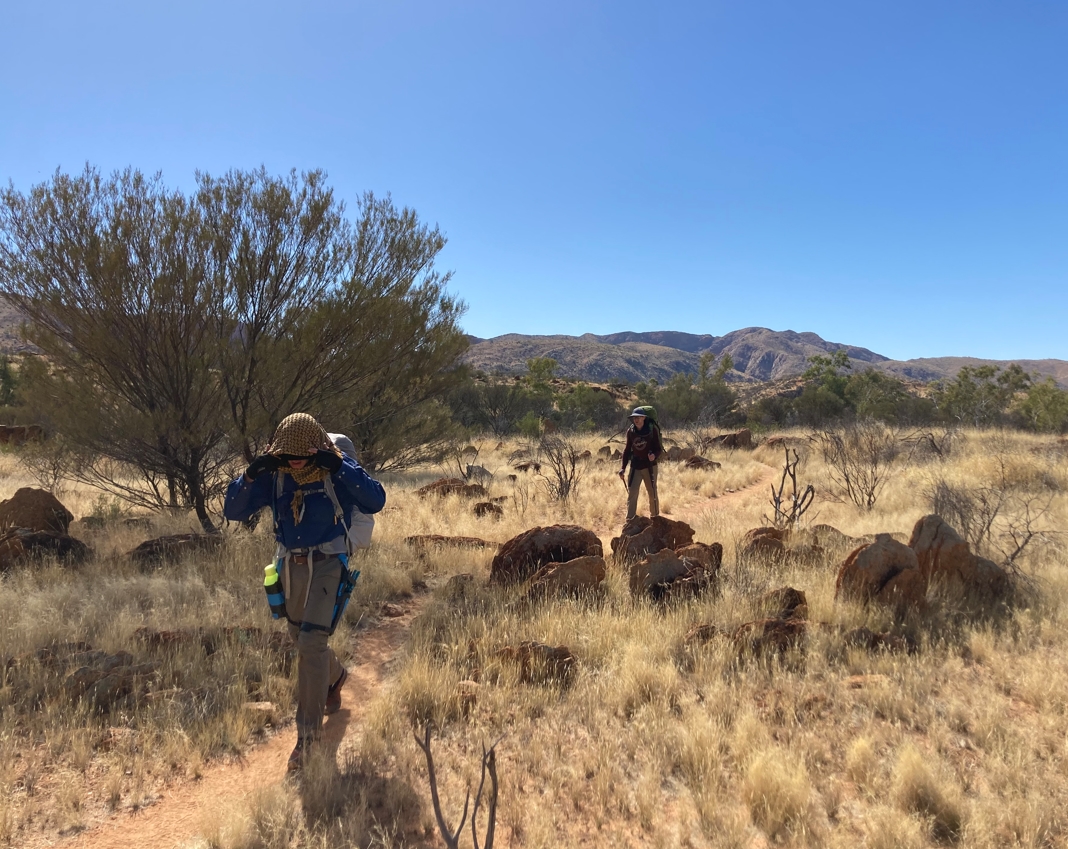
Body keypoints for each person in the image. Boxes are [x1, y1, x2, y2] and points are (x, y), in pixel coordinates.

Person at [224, 413, 386, 772]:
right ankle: (336, 675)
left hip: (329, 561)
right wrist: (251, 474)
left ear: (315, 448)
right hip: (289, 563)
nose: (296, 459)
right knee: (301, 638)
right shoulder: (277, 476)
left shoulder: (332, 471)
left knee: (311, 643)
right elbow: (232, 510)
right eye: (288, 453)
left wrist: (340, 466)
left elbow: (376, 500)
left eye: (302, 453)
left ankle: (307, 739)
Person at [618, 407, 662, 521]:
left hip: (650, 466)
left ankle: (655, 519)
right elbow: (627, 451)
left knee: (652, 492)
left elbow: (659, 449)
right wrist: (623, 468)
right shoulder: (631, 432)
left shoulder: (652, 430)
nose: (636, 420)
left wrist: (654, 456)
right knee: (632, 493)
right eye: (634, 418)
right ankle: (630, 521)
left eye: (638, 417)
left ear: (643, 418)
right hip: (636, 465)